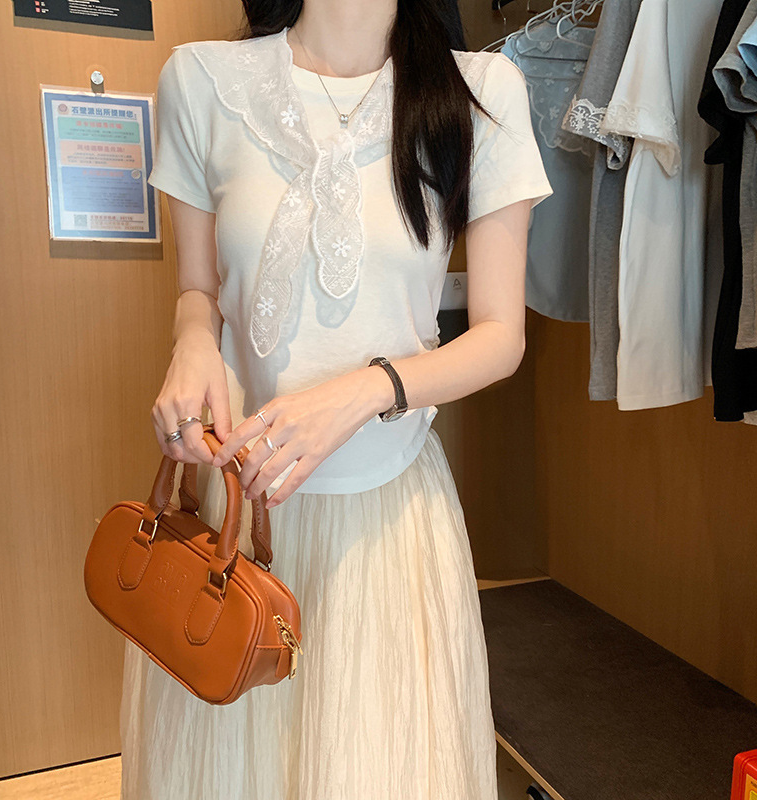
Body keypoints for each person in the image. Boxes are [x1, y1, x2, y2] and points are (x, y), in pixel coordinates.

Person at [119, 0, 553, 797]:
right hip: (244, 510)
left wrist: (364, 391)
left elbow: (500, 336)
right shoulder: (203, 80)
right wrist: (191, 344)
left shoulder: (481, 90)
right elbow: (197, 289)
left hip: (389, 521)